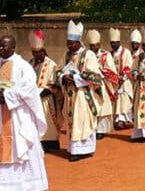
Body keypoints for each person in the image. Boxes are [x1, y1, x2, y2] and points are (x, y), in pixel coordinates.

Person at [0, 35, 48, 191]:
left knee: (22, 146)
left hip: (19, 116)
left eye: (4, 46)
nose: (0, 49)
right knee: (0, 147)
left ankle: (29, 184)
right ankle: (0, 188)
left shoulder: (23, 67)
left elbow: (29, 89)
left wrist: (7, 96)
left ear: (13, 47)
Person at [58, 20, 103, 162]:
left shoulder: (88, 55)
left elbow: (95, 76)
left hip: (84, 94)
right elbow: (58, 71)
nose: (69, 46)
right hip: (70, 94)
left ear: (78, 42)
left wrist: (75, 77)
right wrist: (63, 78)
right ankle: (74, 149)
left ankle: (84, 149)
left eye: (72, 43)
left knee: (82, 120)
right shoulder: (66, 56)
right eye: (68, 42)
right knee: (73, 121)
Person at [28, 29, 61, 152]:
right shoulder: (30, 63)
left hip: (47, 98)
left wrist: (45, 90)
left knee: (48, 121)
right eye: (34, 52)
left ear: (43, 51)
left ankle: (51, 143)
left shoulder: (51, 64)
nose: (36, 55)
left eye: (38, 52)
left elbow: (55, 83)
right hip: (34, 98)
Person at [87, 29, 118, 140]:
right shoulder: (87, 54)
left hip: (102, 84)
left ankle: (102, 130)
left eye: (95, 45)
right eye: (91, 46)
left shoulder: (106, 54)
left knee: (103, 107)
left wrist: (101, 71)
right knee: (93, 106)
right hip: (91, 84)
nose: (93, 48)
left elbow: (112, 70)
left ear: (99, 45)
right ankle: (93, 128)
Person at [110, 27, 134, 130]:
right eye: (112, 43)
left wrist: (122, 78)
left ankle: (126, 120)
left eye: (115, 42)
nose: (113, 45)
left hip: (124, 81)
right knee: (116, 101)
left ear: (119, 42)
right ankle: (118, 120)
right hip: (114, 82)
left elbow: (129, 66)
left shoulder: (126, 52)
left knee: (124, 101)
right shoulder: (110, 53)